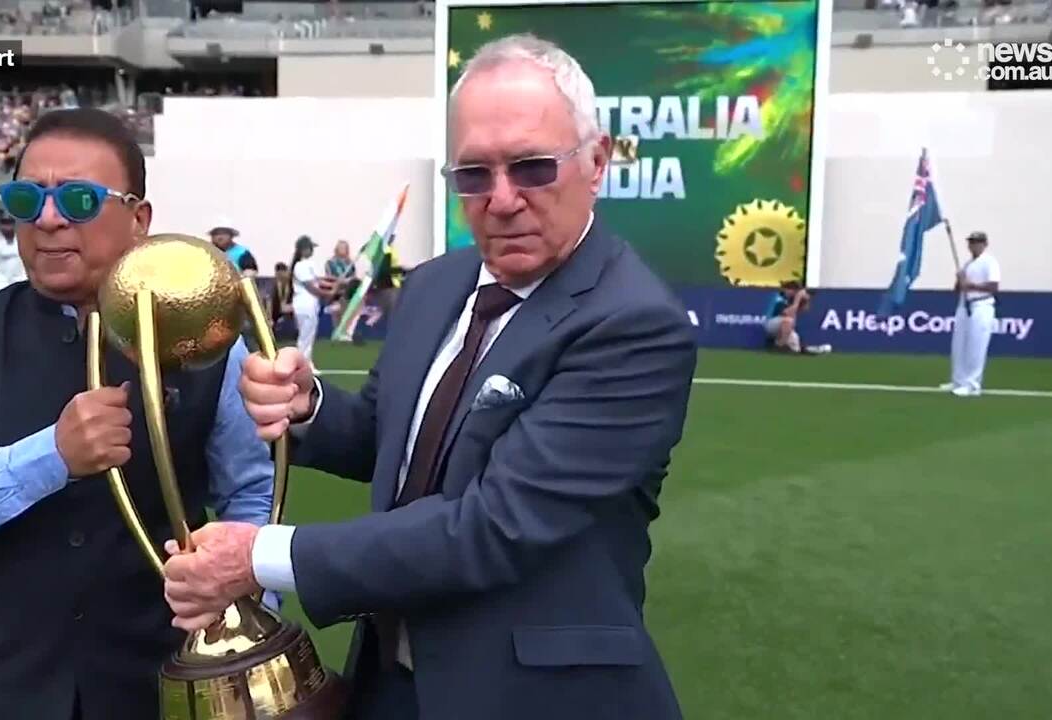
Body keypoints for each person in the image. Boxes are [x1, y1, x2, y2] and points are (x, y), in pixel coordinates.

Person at [160, 35, 697, 720]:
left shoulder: (634, 323)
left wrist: (257, 555)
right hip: (388, 682)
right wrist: (309, 407)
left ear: (596, 162)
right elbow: (390, 440)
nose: (501, 200)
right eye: (473, 174)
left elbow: (493, 527)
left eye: (531, 167)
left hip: (535, 699)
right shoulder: (438, 283)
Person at [0, 108, 277, 720]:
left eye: (79, 199)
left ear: (139, 220)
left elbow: (251, 494)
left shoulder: (205, 343)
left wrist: (238, 602)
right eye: (27, 198)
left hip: (163, 688)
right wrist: (48, 458)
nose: (48, 219)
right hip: (2, 693)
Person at [944, 230, 1000, 397]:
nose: (973, 245)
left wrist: (970, 285)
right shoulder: (968, 264)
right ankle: (958, 380)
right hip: (964, 306)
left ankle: (972, 384)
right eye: (971, 242)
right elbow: (958, 289)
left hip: (981, 305)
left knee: (976, 346)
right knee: (959, 345)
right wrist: (959, 279)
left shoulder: (990, 262)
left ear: (984, 244)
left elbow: (993, 287)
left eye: (977, 242)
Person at [289, 235, 326, 369]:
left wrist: (335, 284)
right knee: (305, 336)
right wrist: (328, 294)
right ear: (304, 250)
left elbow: (320, 281)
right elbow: (311, 287)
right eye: (310, 248)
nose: (312, 251)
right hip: (304, 303)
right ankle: (301, 364)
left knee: (309, 336)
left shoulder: (310, 265)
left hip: (311, 303)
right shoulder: (300, 266)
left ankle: (306, 362)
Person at [763, 281, 830, 355]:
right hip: (771, 324)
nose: (791, 292)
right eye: (790, 290)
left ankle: (777, 343)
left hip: (785, 326)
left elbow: (805, 309)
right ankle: (779, 346)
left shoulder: (792, 299)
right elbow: (786, 313)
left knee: (796, 348)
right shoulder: (780, 297)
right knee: (788, 321)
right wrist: (797, 299)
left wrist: (806, 300)